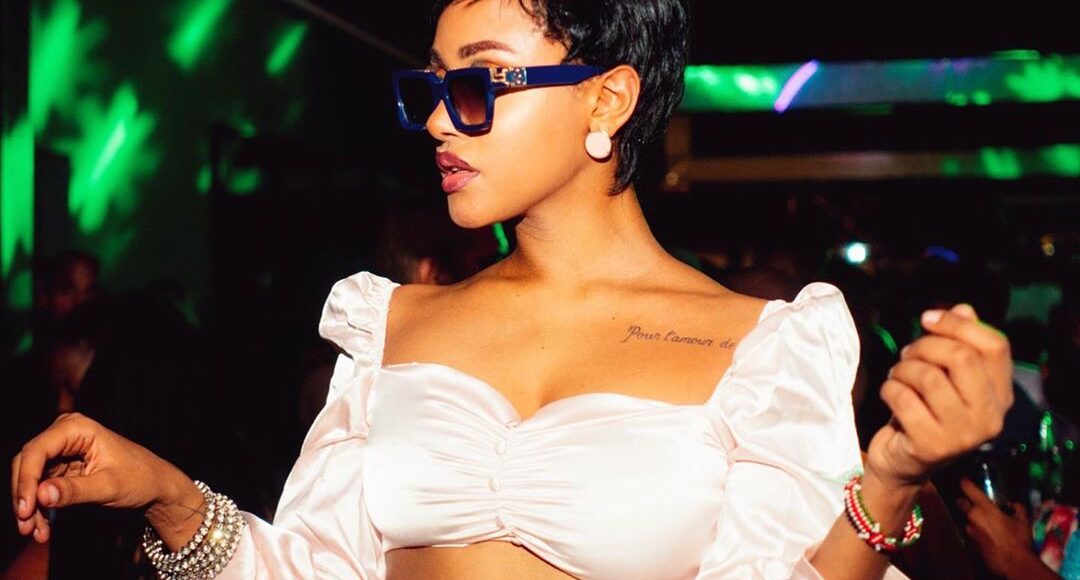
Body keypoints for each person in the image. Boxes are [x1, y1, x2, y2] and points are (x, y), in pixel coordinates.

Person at [11, 1, 1013, 578]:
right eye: (431, 87)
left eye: (478, 84)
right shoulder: (389, 322)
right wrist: (168, 494)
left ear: (607, 101)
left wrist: (889, 478)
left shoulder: (761, 346)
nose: (439, 120)